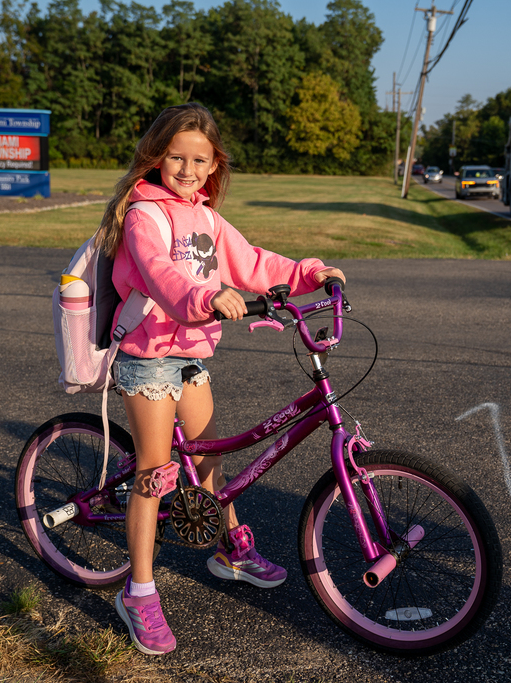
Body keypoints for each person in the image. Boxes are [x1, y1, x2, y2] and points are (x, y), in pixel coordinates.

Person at [93, 102, 345, 656]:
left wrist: (309, 273)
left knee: (209, 457)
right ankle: (138, 592)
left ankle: (230, 549)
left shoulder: (205, 217)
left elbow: (252, 260)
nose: (186, 169)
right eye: (176, 157)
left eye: (198, 160)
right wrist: (204, 297)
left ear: (213, 166)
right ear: (157, 157)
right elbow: (161, 274)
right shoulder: (144, 215)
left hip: (189, 356)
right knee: (157, 476)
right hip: (149, 355)